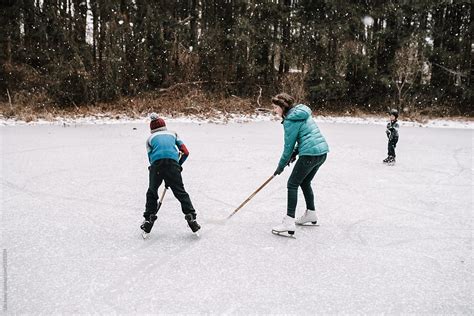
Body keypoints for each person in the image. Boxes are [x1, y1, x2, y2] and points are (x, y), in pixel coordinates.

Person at [271, 93, 329, 236]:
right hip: (322, 152)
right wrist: (295, 153)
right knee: (305, 182)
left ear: (282, 107)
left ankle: (289, 222)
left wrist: (281, 165)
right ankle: (311, 213)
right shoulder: (301, 113)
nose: (274, 111)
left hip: (309, 154)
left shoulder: (290, 120)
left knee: (292, 184)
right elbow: (307, 136)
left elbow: (288, 146)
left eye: (275, 107)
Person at [140, 113, 200, 236]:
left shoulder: (149, 139)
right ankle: (191, 218)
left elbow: (151, 159)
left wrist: (157, 172)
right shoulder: (173, 134)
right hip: (173, 165)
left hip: (156, 166)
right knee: (180, 192)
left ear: (151, 129)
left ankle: (148, 220)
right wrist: (178, 165)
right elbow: (185, 152)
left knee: (152, 192)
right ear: (164, 126)